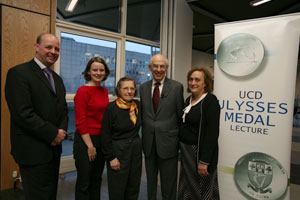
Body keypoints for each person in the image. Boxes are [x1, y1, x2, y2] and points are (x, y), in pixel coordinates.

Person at [5, 33, 68, 200]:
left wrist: (61, 131)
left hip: (53, 150)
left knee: (50, 195)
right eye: (49, 47)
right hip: (33, 150)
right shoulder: (18, 73)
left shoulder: (57, 79)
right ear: (36, 47)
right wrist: (52, 134)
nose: (53, 51)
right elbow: (23, 113)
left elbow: (63, 109)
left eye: (57, 49)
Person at [140, 54, 184, 200]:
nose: (159, 69)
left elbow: (180, 117)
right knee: (150, 183)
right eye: (155, 66)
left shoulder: (177, 88)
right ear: (150, 67)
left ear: (166, 68)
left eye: (162, 66)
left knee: (169, 185)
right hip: (149, 144)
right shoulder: (143, 87)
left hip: (169, 144)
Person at [178, 68, 220, 199]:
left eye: (197, 80)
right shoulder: (188, 100)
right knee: (187, 187)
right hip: (186, 153)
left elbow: (212, 134)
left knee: (202, 189)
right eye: (190, 79)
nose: (193, 82)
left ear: (205, 83)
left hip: (199, 154)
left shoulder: (210, 101)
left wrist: (204, 161)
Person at [73, 57, 110, 200]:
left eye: (101, 70)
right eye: (95, 70)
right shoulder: (82, 91)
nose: (98, 73)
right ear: (89, 71)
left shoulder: (104, 91)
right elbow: (81, 122)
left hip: (101, 140)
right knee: (84, 182)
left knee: (97, 180)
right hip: (85, 140)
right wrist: (90, 146)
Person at [101, 77, 142, 200]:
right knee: (117, 188)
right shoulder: (111, 108)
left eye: (132, 88)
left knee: (134, 186)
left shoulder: (138, 106)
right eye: (125, 88)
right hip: (118, 151)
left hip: (135, 150)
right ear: (118, 90)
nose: (129, 91)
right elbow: (105, 135)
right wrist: (111, 158)